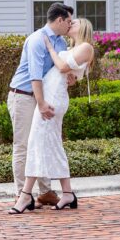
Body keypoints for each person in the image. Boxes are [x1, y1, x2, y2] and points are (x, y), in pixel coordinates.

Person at [8, 17, 95, 214]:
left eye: (76, 21)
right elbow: (66, 71)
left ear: (85, 28)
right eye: (70, 20)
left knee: (36, 143)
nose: (72, 23)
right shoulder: (70, 45)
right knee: (52, 145)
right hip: (50, 95)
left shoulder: (86, 47)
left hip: (52, 100)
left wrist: (50, 49)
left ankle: (25, 196)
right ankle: (67, 193)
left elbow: (63, 67)